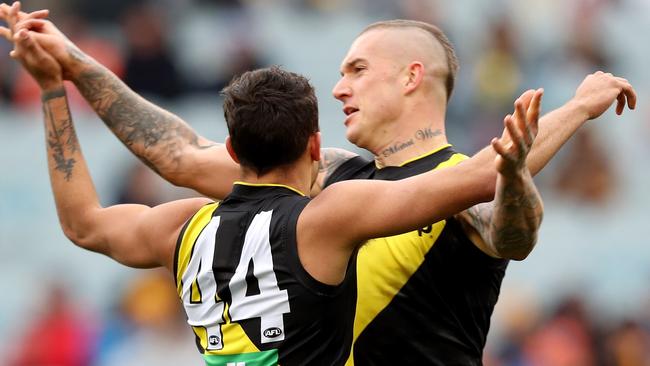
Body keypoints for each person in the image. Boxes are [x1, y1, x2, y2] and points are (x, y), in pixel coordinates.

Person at [0, 3, 636, 364]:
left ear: (411, 77)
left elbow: (512, 231)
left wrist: (552, 132)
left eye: (357, 69)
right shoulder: (325, 181)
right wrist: (74, 63)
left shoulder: (446, 185)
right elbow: (184, 157)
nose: (339, 88)